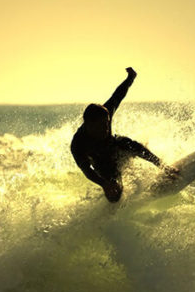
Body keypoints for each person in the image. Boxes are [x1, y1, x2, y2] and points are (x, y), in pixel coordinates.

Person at [71, 67, 177, 202]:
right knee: (115, 195)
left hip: (115, 145)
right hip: (101, 161)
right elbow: (87, 170)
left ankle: (164, 167)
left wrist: (130, 78)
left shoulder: (105, 112)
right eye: (100, 127)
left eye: (106, 124)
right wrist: (104, 184)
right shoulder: (78, 144)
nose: (106, 129)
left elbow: (118, 95)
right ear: (88, 124)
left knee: (128, 144)